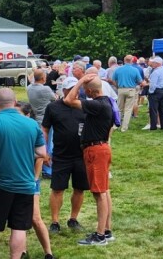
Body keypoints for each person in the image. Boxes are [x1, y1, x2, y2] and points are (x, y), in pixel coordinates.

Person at [0, 88, 47, 259]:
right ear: (15, 102)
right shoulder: (31, 124)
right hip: (25, 183)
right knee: (19, 227)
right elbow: (42, 152)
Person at [63, 73, 115, 246]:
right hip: (101, 149)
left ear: (91, 91)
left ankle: (100, 235)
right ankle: (106, 231)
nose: (84, 92)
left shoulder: (97, 105)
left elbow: (69, 100)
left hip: (96, 150)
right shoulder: (106, 101)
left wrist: (79, 81)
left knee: (99, 193)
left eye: (86, 90)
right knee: (104, 191)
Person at [42, 83, 89, 235]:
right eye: (71, 89)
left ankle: (73, 219)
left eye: (76, 88)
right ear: (64, 90)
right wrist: (45, 151)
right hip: (61, 155)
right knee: (57, 189)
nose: (75, 91)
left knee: (79, 188)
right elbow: (45, 129)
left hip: (81, 155)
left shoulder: (84, 105)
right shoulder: (53, 107)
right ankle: (55, 222)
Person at [18, 102, 54, 259]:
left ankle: (48, 253)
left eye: (18, 114)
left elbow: (41, 156)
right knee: (18, 218)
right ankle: (22, 250)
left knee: (35, 217)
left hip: (30, 180)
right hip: (16, 179)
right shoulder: (14, 131)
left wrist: (34, 179)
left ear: (27, 115)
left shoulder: (33, 130)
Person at [26, 69, 55, 177]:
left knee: (35, 144)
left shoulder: (29, 88)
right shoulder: (46, 89)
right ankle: (47, 170)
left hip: (34, 118)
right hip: (45, 119)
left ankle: (36, 166)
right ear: (43, 78)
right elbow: (55, 98)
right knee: (46, 144)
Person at [112, 55, 143, 132]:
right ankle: (124, 128)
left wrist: (117, 86)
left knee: (119, 108)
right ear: (132, 60)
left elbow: (113, 80)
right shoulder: (135, 70)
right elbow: (140, 81)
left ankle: (116, 125)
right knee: (128, 109)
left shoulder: (118, 69)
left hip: (121, 89)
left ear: (124, 60)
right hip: (131, 89)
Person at [144, 56, 163, 131]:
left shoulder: (156, 72)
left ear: (157, 63)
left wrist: (150, 92)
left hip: (156, 91)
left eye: (154, 62)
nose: (152, 64)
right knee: (162, 110)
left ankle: (153, 126)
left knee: (153, 110)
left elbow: (153, 84)